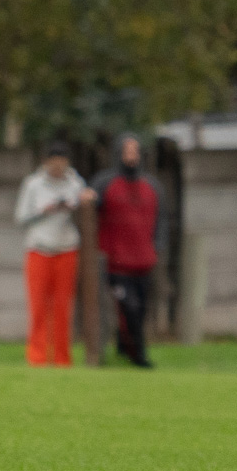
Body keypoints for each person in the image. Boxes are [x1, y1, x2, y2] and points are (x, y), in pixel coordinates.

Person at [14, 142, 94, 367]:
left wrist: (81, 201)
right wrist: (44, 211)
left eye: (62, 163)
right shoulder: (33, 184)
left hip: (66, 249)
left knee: (62, 307)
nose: (58, 168)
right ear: (46, 162)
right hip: (39, 250)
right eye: (54, 163)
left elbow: (84, 206)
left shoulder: (75, 182)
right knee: (38, 306)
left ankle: (62, 358)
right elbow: (20, 217)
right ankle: (37, 357)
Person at [92, 133, 166, 368]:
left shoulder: (152, 186)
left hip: (143, 261)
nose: (131, 156)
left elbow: (161, 221)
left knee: (140, 310)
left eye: (135, 151)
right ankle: (139, 355)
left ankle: (125, 345)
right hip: (116, 263)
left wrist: (157, 247)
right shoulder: (105, 183)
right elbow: (88, 209)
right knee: (129, 307)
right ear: (118, 154)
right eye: (127, 151)